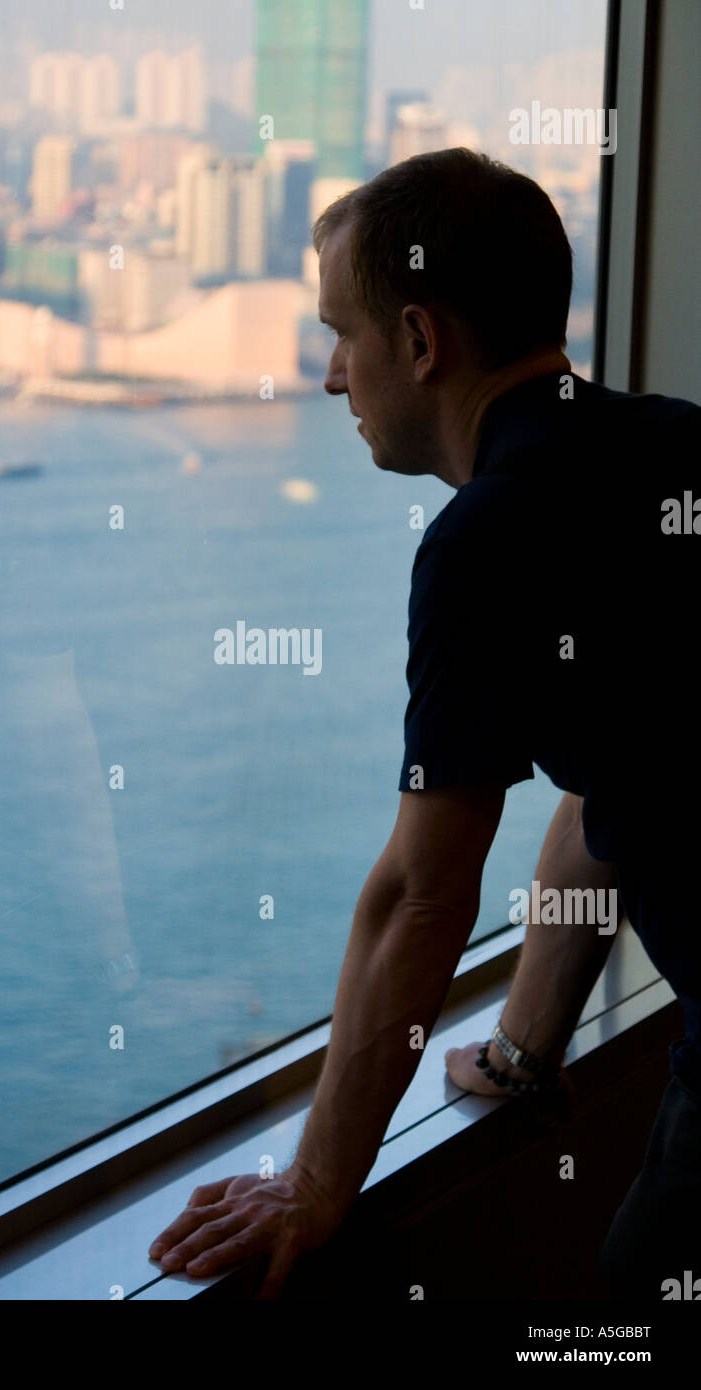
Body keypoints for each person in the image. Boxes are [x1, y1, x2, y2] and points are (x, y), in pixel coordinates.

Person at [148, 148, 701, 1300]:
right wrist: (519, 1051)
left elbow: (421, 892)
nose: (330, 378)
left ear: (416, 340)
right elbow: (616, 788)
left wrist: (311, 1182)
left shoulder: (480, 542)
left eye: (340, 336)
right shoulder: (671, 440)